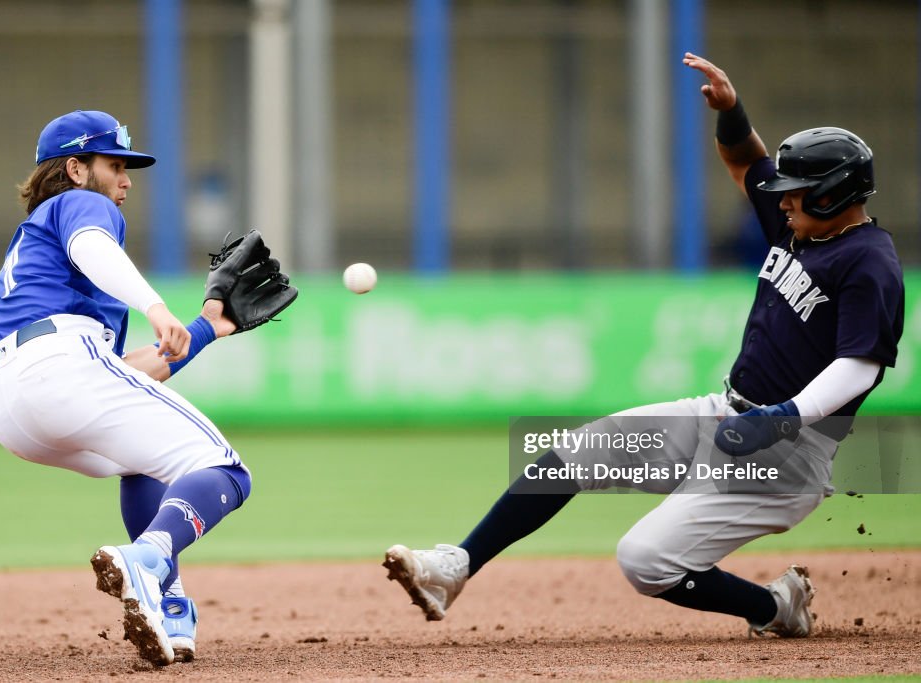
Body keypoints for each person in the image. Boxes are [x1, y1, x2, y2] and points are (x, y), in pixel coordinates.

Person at [383, 54, 905, 637]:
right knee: (573, 453)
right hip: (725, 413)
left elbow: (859, 366)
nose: (782, 199)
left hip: (789, 453)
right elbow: (745, 165)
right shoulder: (798, 225)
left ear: (833, 195)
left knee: (645, 560)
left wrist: (782, 419)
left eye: (797, 191)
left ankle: (775, 609)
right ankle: (456, 566)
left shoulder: (869, 262)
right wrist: (732, 112)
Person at [0, 110, 277, 666]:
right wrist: (154, 306)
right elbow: (95, 247)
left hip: (10, 401)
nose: (126, 180)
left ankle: (166, 606)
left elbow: (125, 377)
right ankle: (148, 559)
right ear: (74, 168)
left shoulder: (41, 250)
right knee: (227, 472)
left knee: (141, 457)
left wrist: (208, 327)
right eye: (114, 165)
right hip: (59, 367)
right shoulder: (77, 205)